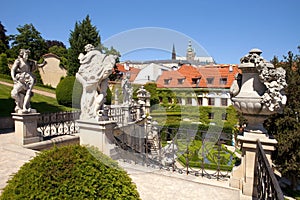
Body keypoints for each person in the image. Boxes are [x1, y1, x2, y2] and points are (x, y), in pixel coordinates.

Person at [76, 44, 117, 120]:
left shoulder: (94, 54)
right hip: (91, 82)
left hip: (93, 81)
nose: (87, 50)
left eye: (88, 48)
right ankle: (90, 113)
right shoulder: (94, 55)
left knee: (92, 98)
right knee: (89, 98)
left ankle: (92, 113)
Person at [11, 49, 46, 113]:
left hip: (29, 78)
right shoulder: (18, 61)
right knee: (14, 93)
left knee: (28, 92)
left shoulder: (29, 62)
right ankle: (19, 105)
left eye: (28, 55)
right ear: (22, 54)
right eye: (26, 54)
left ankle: (25, 107)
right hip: (21, 79)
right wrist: (13, 78)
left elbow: (38, 65)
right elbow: (13, 70)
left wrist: (43, 64)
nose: (27, 56)